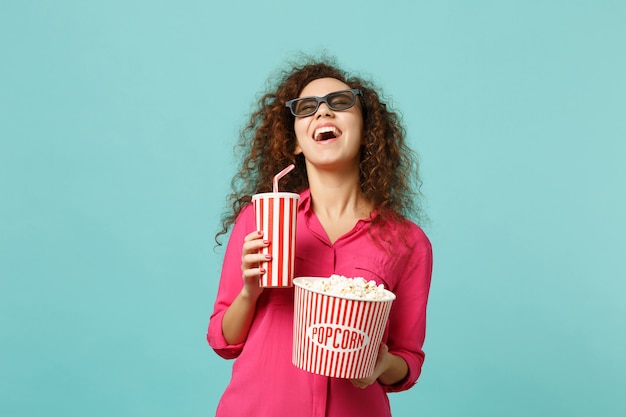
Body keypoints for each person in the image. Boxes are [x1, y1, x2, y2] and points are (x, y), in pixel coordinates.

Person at [207, 56, 433, 417]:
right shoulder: (260, 220)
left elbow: (408, 360)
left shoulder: (407, 242)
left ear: (367, 131)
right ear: (295, 143)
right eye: (307, 108)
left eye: (340, 104)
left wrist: (382, 363)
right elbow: (223, 339)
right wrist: (250, 291)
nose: (323, 113)